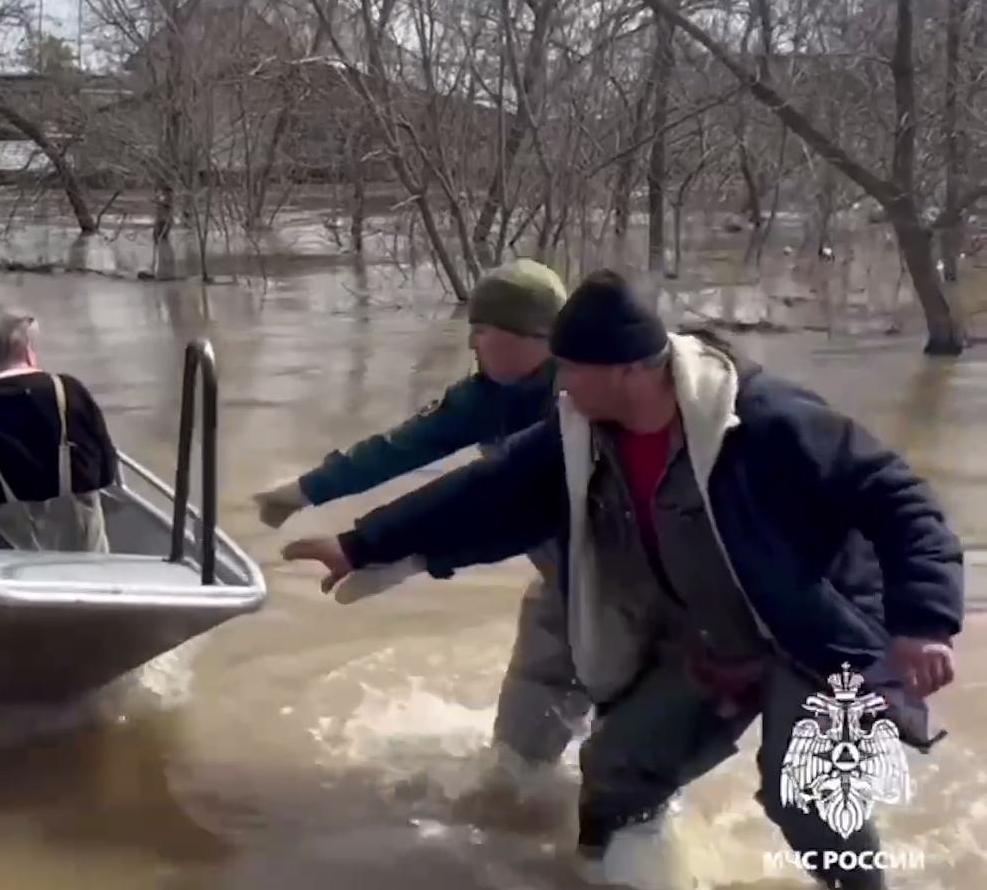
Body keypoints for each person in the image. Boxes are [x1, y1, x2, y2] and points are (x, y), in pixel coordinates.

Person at [281, 270, 963, 889]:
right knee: (613, 769)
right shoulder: (580, 425)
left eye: (572, 367)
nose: (560, 381)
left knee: (806, 794)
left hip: (813, 630)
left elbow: (897, 498)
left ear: (633, 370)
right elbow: (486, 489)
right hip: (704, 632)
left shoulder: (768, 418)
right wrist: (358, 543)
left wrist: (924, 621)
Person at [253, 258, 588, 770]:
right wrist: (303, 492)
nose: (472, 345)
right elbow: (399, 448)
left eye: (481, 331)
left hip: (624, 581)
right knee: (516, 760)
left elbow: (497, 499)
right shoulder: (484, 395)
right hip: (559, 582)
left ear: (533, 335)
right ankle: (518, 804)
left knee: (627, 753)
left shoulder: (584, 398)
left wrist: (399, 554)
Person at [0, 306, 118, 552]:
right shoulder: (68, 391)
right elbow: (106, 470)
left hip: (2, 554)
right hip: (80, 545)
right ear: (27, 350)